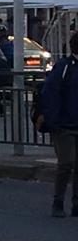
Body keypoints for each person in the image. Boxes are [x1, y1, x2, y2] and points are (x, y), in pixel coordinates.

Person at [40, 34, 78, 217]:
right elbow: (50, 94)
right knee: (66, 163)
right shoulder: (64, 68)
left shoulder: (65, 67)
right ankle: (59, 201)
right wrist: (53, 121)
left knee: (72, 164)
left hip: (67, 121)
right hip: (65, 124)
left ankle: (74, 203)